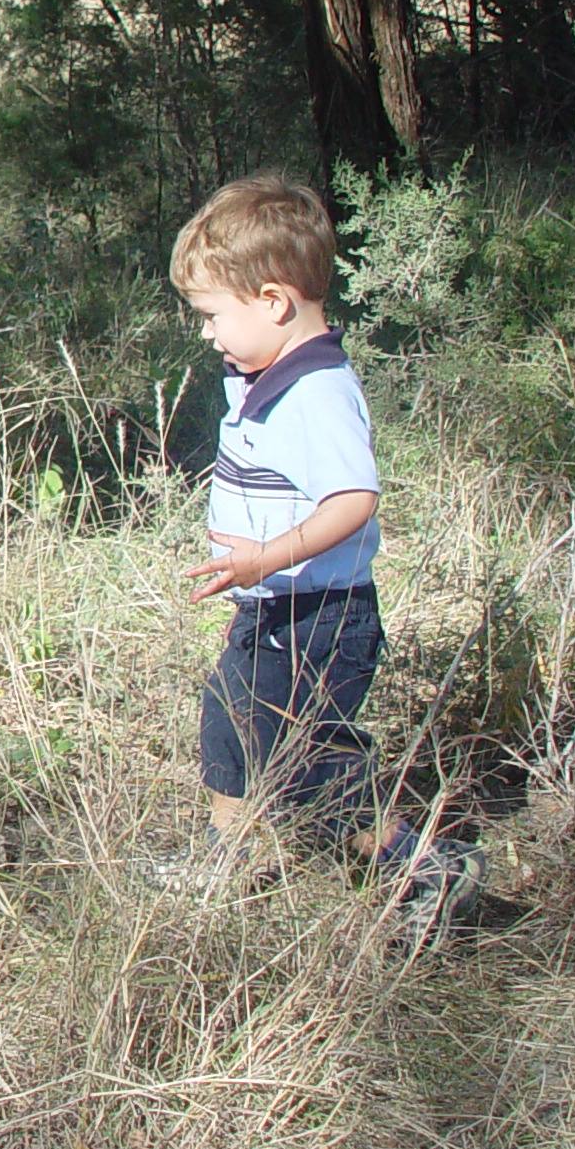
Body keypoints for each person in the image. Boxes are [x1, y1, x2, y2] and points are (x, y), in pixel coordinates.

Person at [162, 173, 482, 929]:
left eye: (212, 316)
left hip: (322, 618)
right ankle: (230, 853)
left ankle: (421, 866)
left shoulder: (319, 392)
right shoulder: (266, 372)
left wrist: (263, 558)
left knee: (308, 761)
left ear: (273, 303)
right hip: (273, 607)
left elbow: (354, 500)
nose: (208, 334)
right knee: (230, 720)